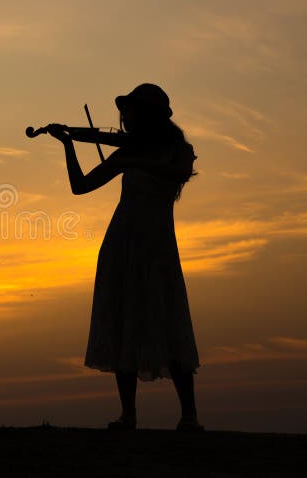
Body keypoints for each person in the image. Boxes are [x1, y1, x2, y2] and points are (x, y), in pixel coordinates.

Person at [45, 83, 203, 432]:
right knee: (123, 321)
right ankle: (128, 415)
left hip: (158, 249)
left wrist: (134, 158)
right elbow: (80, 186)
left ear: (148, 116)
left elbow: (176, 173)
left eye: (131, 113)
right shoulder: (128, 152)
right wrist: (69, 144)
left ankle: (189, 416)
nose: (125, 119)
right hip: (122, 245)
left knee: (168, 320)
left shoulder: (178, 151)